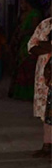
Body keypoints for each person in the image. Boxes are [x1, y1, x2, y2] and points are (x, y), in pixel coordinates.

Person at [9, 0, 43, 101]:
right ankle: (20, 92)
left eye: (23, 2)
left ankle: (29, 94)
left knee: (28, 67)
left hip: (31, 43)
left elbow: (34, 29)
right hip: (22, 43)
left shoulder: (35, 14)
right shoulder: (24, 14)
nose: (21, 5)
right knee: (21, 67)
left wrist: (24, 33)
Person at [27, 15, 52, 159]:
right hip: (44, 78)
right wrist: (45, 45)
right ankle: (47, 145)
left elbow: (39, 45)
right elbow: (31, 47)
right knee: (46, 113)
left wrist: (43, 45)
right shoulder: (45, 24)